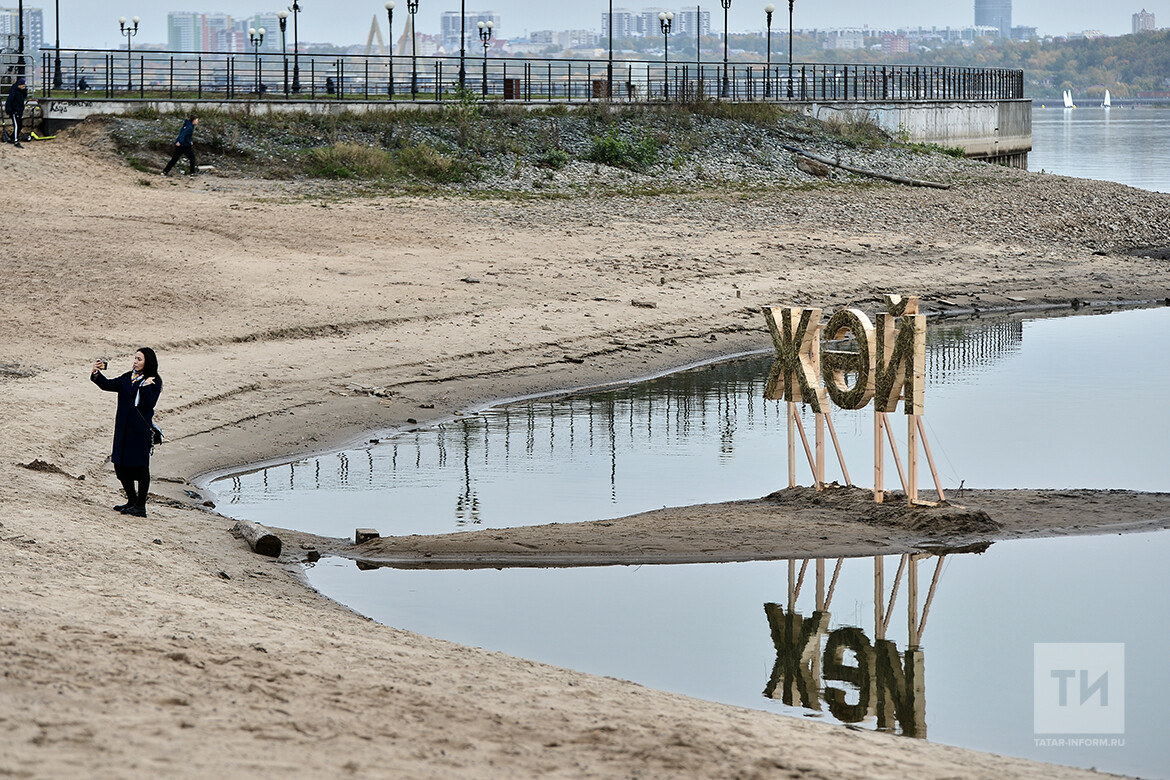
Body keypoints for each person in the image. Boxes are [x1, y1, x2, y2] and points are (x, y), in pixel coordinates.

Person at [91, 349, 163, 518]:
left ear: (148, 362)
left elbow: (149, 405)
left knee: (141, 467)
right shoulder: (127, 377)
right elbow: (108, 385)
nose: (135, 361)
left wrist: (145, 387)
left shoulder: (154, 381)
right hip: (123, 428)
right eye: (135, 358)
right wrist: (96, 373)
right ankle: (132, 499)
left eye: (139, 359)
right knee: (120, 464)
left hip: (139, 431)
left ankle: (140, 506)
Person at [5, 76, 27, 149]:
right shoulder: (14, 91)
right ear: (19, 85)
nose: (24, 87)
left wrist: (24, 91)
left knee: (20, 125)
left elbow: (23, 97)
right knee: (17, 125)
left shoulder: (21, 92)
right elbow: (9, 100)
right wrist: (9, 110)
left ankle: (11, 137)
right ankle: (16, 140)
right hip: (14, 111)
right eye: (23, 86)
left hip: (20, 111)